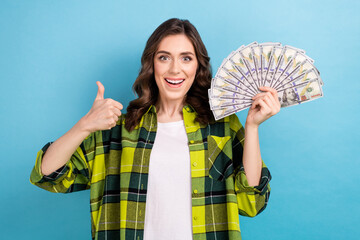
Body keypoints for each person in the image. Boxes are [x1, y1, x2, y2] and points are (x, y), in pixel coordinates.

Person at [30, 18, 280, 240]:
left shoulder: (222, 127)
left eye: (186, 58)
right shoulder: (117, 129)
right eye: (164, 57)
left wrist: (252, 126)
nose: (174, 69)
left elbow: (252, 202)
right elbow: (47, 175)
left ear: (197, 66)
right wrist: (85, 125)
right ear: (152, 65)